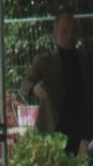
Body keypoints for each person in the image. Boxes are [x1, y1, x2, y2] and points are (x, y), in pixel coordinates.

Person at [21, 11, 92, 157]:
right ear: (55, 34)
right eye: (64, 32)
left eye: (73, 31)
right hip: (53, 129)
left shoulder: (86, 60)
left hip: (81, 129)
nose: (69, 36)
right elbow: (25, 83)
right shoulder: (44, 61)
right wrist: (35, 89)